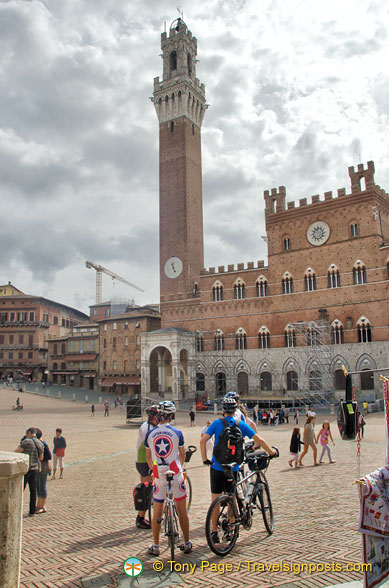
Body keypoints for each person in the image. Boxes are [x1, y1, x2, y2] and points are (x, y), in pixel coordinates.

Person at [200, 396, 277, 544]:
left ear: (222, 410)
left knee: (215, 499)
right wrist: (271, 452)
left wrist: (205, 459)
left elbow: (203, 440)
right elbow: (259, 440)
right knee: (231, 499)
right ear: (236, 410)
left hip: (216, 466)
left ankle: (214, 531)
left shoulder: (216, 423)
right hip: (233, 467)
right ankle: (230, 530)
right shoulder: (240, 424)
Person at [145, 401, 192, 555]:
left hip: (159, 475)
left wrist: (155, 469)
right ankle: (186, 542)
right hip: (175, 474)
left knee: (157, 512)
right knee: (182, 511)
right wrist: (177, 465)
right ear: (172, 416)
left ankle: (156, 545)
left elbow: (148, 457)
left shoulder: (150, 434)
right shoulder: (177, 433)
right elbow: (183, 455)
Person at [135, 405, 159, 529]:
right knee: (146, 491)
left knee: (148, 489)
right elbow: (152, 449)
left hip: (141, 461)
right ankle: (140, 518)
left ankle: (142, 516)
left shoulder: (146, 425)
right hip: (145, 461)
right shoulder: (149, 430)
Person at [15, 427, 43, 516]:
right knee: (33, 490)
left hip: (27, 468)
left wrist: (16, 449)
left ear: (29, 433)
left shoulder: (26, 441)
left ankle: (17, 510)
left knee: (20, 490)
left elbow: (18, 451)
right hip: (35, 468)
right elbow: (41, 458)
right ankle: (32, 511)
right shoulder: (40, 443)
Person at [35, 429, 52, 513]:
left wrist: (40, 459)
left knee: (41, 487)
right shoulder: (40, 443)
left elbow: (49, 456)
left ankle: (41, 506)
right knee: (38, 487)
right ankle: (39, 505)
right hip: (40, 468)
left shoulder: (43, 444)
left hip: (43, 468)